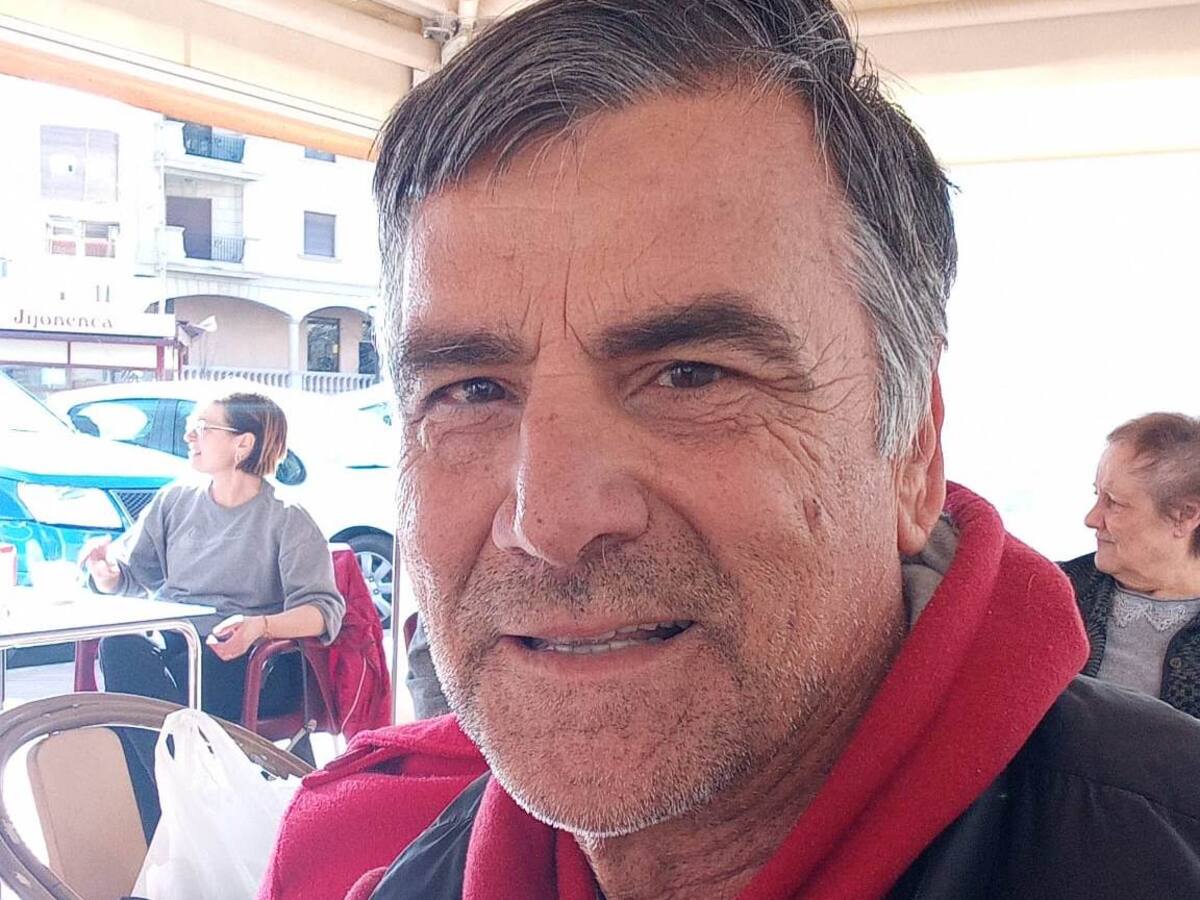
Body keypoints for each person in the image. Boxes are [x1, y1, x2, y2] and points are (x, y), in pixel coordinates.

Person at [260, 2, 1200, 898]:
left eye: (691, 375)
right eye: (470, 391)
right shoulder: (403, 875)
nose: (549, 520)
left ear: (912, 452)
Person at [84, 390, 344, 837]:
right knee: (119, 647)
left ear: (243, 443)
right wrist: (106, 573)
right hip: (176, 643)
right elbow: (133, 576)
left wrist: (259, 626)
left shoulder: (287, 518)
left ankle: (170, 815)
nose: (190, 436)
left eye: (203, 427)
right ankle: (181, 797)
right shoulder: (175, 501)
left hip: (244, 656)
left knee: (162, 698)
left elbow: (324, 612)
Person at [1062, 413, 1200, 714]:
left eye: (1114, 502)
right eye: (1097, 495)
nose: (1091, 519)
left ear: (1185, 516)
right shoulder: (1053, 592)